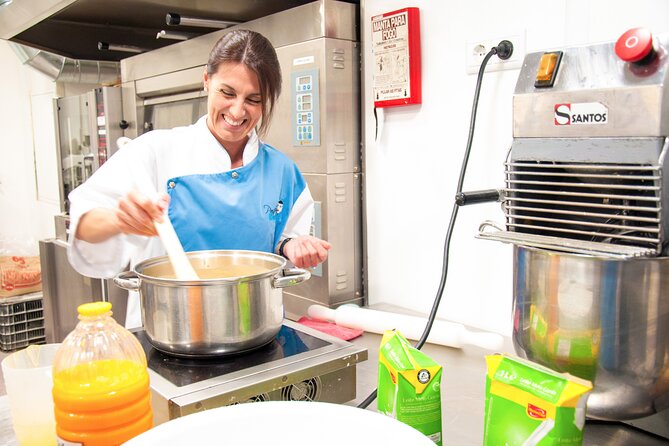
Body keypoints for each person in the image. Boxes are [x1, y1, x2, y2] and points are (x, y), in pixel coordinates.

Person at [67, 29, 331, 328]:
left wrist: (292, 247)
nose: (237, 110)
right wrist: (119, 219)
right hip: (168, 329)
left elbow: (283, 241)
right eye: (227, 93)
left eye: (253, 100)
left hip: (254, 326)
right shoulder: (155, 151)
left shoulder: (282, 171)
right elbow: (83, 224)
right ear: (207, 81)